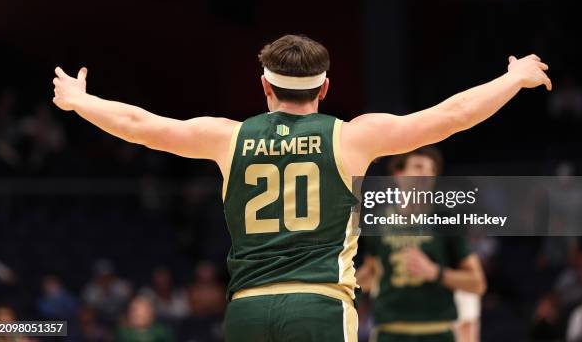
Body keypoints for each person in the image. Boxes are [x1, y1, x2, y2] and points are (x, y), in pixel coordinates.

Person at [52, 34, 551, 342]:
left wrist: (80, 101)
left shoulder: (227, 138)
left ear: (265, 87)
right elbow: (453, 116)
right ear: (325, 87)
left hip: (247, 309)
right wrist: (513, 79)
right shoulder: (353, 136)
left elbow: (140, 124)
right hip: (319, 306)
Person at [357, 147, 487, 342]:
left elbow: (477, 283)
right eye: (418, 167)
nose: (426, 174)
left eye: (432, 170)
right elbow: (371, 272)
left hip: (437, 331)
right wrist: (341, 286)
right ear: (398, 175)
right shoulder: (377, 220)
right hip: (390, 331)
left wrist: (435, 272)